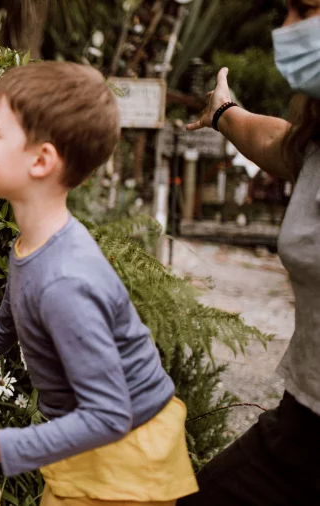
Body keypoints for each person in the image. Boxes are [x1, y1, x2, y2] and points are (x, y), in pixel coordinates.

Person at [0, 61, 198, 506]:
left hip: (126, 462)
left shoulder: (64, 282)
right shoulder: (36, 245)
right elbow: (8, 321)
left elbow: (110, 414)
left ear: (42, 160)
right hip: (95, 445)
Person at [177, 2, 320, 505]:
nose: (286, 29)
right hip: (303, 425)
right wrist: (224, 113)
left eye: (307, 9)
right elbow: (280, 142)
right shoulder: (315, 143)